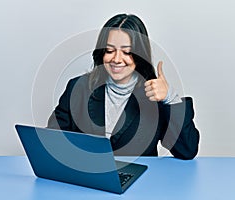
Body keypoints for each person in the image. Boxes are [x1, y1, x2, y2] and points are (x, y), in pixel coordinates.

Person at [47, 13, 200, 160]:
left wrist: (169, 98)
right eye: (109, 50)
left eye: (127, 52)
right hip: (88, 180)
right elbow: (52, 142)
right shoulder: (78, 88)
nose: (117, 59)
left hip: (139, 182)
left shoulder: (154, 95)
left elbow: (187, 150)